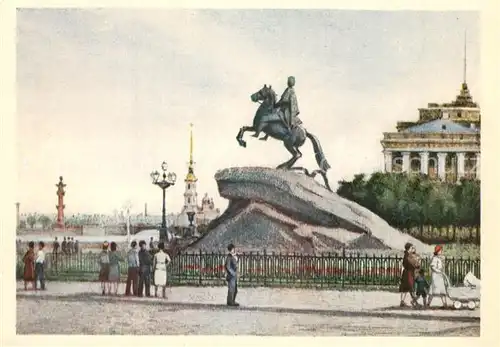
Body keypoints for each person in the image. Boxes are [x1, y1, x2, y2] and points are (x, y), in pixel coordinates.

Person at [398, 242, 419, 307]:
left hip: (407, 273)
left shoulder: (407, 254)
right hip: (408, 273)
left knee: (405, 288)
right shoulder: (407, 255)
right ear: (409, 248)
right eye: (411, 248)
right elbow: (409, 264)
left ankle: (402, 301)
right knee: (410, 287)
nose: (412, 249)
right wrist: (415, 266)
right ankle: (415, 302)